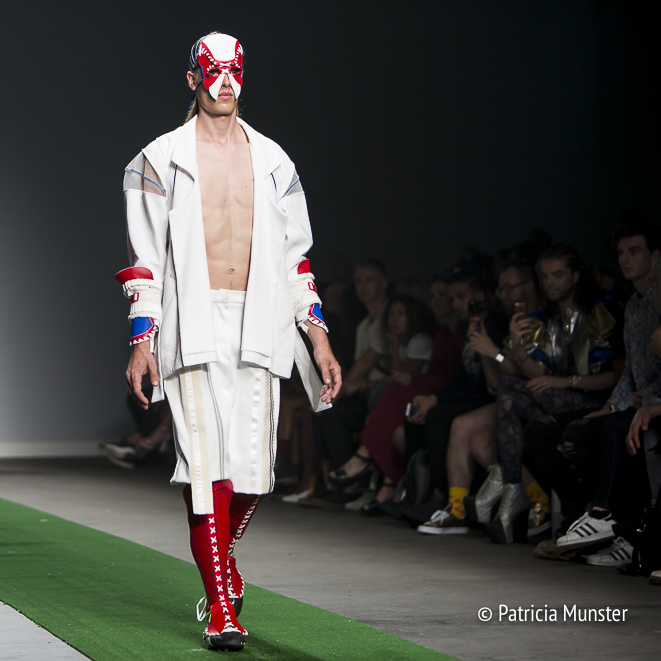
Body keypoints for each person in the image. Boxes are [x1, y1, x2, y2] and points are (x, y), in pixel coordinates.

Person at [115, 32, 341, 651]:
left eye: (234, 70)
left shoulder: (275, 161)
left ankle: (222, 565)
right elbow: (143, 260)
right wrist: (142, 339)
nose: (223, 82)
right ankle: (221, 608)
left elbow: (297, 262)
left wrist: (318, 337)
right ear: (191, 77)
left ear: (244, 76)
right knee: (206, 469)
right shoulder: (157, 160)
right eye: (211, 70)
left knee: (252, 474)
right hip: (191, 319)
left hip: (261, 319)